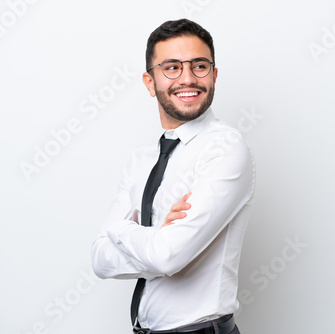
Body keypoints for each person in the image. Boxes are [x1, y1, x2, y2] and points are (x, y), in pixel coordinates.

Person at [91, 18, 254, 334]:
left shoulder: (224, 148)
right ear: (150, 82)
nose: (188, 79)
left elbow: (168, 257)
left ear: (214, 75)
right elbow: (99, 259)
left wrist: (123, 230)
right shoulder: (141, 160)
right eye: (172, 68)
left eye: (200, 66)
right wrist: (157, 236)